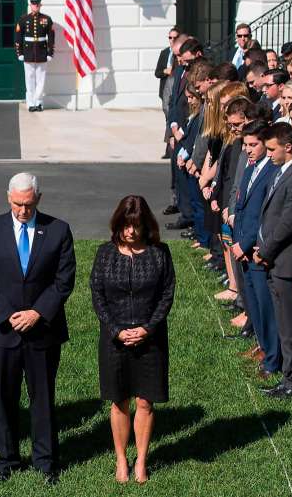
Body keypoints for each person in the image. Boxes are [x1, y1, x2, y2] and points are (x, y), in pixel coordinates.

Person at [0, 172, 76, 485]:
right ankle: (7, 458)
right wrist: (9, 314)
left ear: (38, 199)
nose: (22, 211)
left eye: (28, 204)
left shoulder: (57, 230)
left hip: (43, 330)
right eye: (17, 204)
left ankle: (45, 461)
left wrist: (37, 313)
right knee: (4, 397)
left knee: (42, 397)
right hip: (3, 331)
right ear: (8, 198)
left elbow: (64, 279)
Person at [90, 195, 173, 485]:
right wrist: (115, 329)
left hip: (150, 339)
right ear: (118, 224)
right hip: (115, 339)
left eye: (136, 226)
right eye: (126, 225)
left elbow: (166, 295)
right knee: (119, 401)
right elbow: (97, 295)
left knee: (145, 402)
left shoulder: (159, 253)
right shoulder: (105, 253)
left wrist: (147, 329)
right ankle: (121, 459)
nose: (131, 232)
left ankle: (141, 460)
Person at [254, 122, 292, 397]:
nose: (268, 154)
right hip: (275, 260)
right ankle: (290, 376)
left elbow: (289, 222)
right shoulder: (282, 172)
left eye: (272, 149)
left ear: (288, 147)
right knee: (285, 325)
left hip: (286, 262)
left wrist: (264, 252)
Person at [232, 120, 281, 379]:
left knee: (265, 305)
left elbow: (264, 215)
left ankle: (273, 358)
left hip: (255, 248)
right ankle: (262, 346)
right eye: (245, 145)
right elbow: (242, 206)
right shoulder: (251, 168)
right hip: (242, 246)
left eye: (254, 145)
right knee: (252, 301)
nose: (248, 149)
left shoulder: (271, 171)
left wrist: (247, 242)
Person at [15, 0, 55, 112]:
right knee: (29, 78)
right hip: (28, 53)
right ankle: (31, 103)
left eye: (37, 4)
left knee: (41, 79)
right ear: (30, 5)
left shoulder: (47, 19)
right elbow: (18, 37)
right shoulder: (23, 19)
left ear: (40, 5)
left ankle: (39, 103)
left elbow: (51, 37)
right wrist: (19, 52)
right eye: (33, 4)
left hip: (42, 52)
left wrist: (50, 52)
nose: (35, 6)